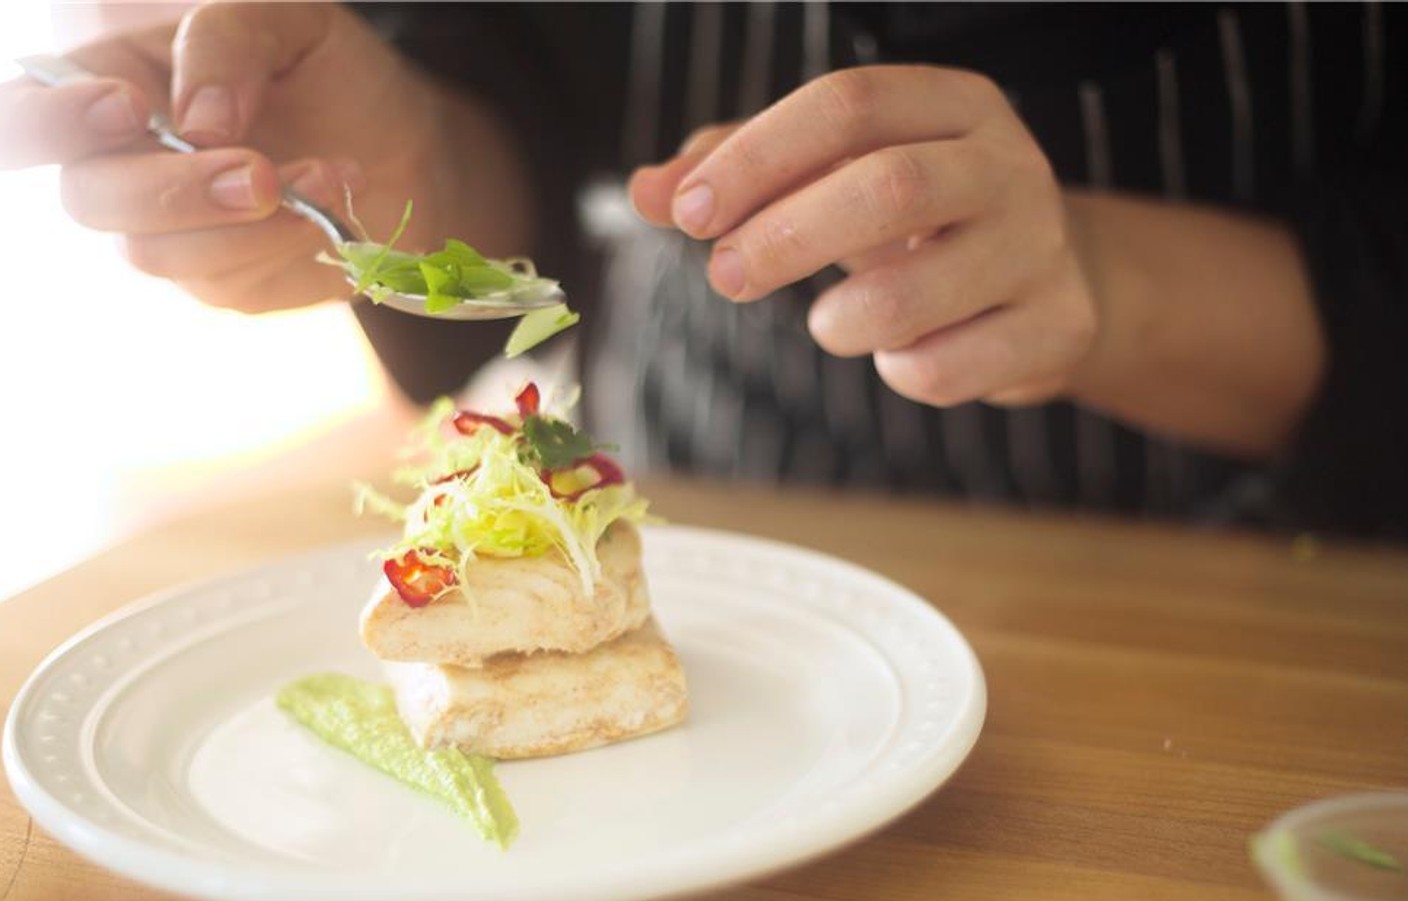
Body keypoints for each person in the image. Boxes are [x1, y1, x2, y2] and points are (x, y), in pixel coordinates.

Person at [2, 2, 1404, 535]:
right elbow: (511, 134)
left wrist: (1099, 279)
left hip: (1269, 600)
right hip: (696, 532)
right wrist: (402, 170)